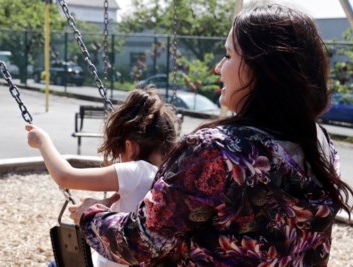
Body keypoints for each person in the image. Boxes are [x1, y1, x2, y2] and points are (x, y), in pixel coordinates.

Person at [68, 3, 353, 266]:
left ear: (261, 69)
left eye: (228, 55)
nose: (218, 67)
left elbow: (139, 242)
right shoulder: (319, 144)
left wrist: (91, 214)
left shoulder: (217, 150)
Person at [25, 86, 178, 267]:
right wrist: (103, 205)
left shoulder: (138, 170)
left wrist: (42, 142)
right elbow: (135, 215)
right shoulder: (168, 177)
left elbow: (65, 176)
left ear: (130, 147)